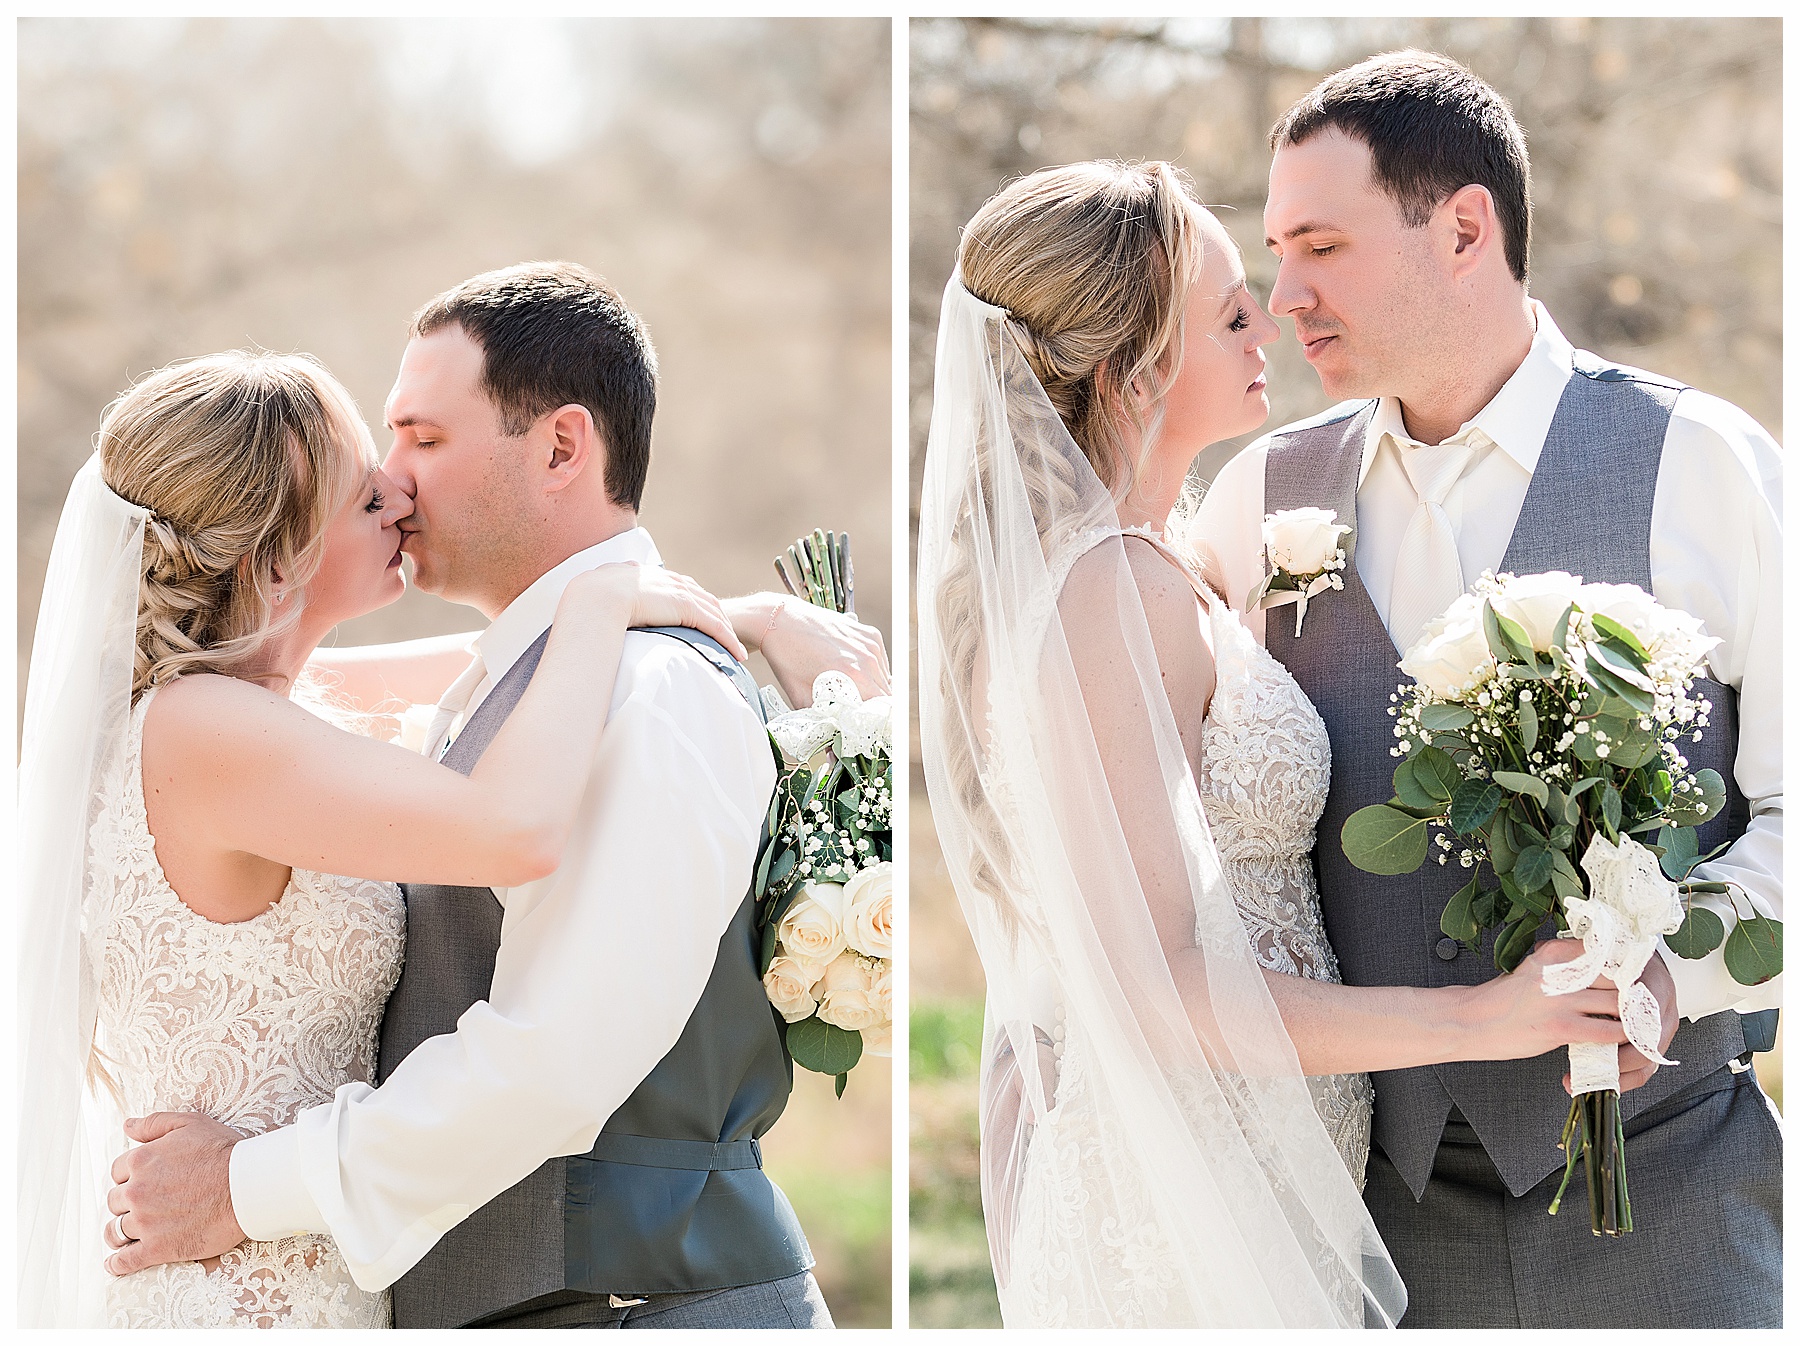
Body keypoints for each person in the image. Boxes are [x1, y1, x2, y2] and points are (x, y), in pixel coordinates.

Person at [41, 265, 880, 1328]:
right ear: (272, 558)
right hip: (236, 1282)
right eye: (368, 470)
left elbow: (555, 1058)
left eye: (421, 441)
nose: (393, 486)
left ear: (563, 448)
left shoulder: (640, 689)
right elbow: (504, 808)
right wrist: (602, 596)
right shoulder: (218, 726)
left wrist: (718, 609)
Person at [915, 160, 1633, 1329]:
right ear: (1134, 365)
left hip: (1265, 1166)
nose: (1276, 321)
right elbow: (1159, 983)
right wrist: (1475, 1016)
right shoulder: (1106, 593)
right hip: (1180, 1196)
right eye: (1232, 311)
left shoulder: (1164, 567)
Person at [1194, 51, 1780, 1328]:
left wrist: (1673, 971)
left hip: (1674, 1198)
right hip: (1376, 1224)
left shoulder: (1709, 468)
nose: (1282, 294)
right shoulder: (1254, 505)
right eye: (1276, 252)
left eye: (1322, 246)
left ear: (1464, 228)